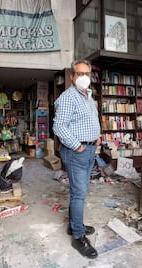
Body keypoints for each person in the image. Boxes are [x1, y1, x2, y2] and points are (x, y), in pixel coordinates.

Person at [53, 59, 101, 259]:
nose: (84, 77)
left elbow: (90, 121)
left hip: (90, 150)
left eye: (87, 74)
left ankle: (75, 226)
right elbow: (59, 127)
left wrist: (96, 137)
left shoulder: (88, 96)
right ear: (72, 77)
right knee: (78, 193)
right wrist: (79, 146)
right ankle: (78, 237)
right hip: (77, 151)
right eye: (79, 74)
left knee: (81, 191)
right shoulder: (68, 97)